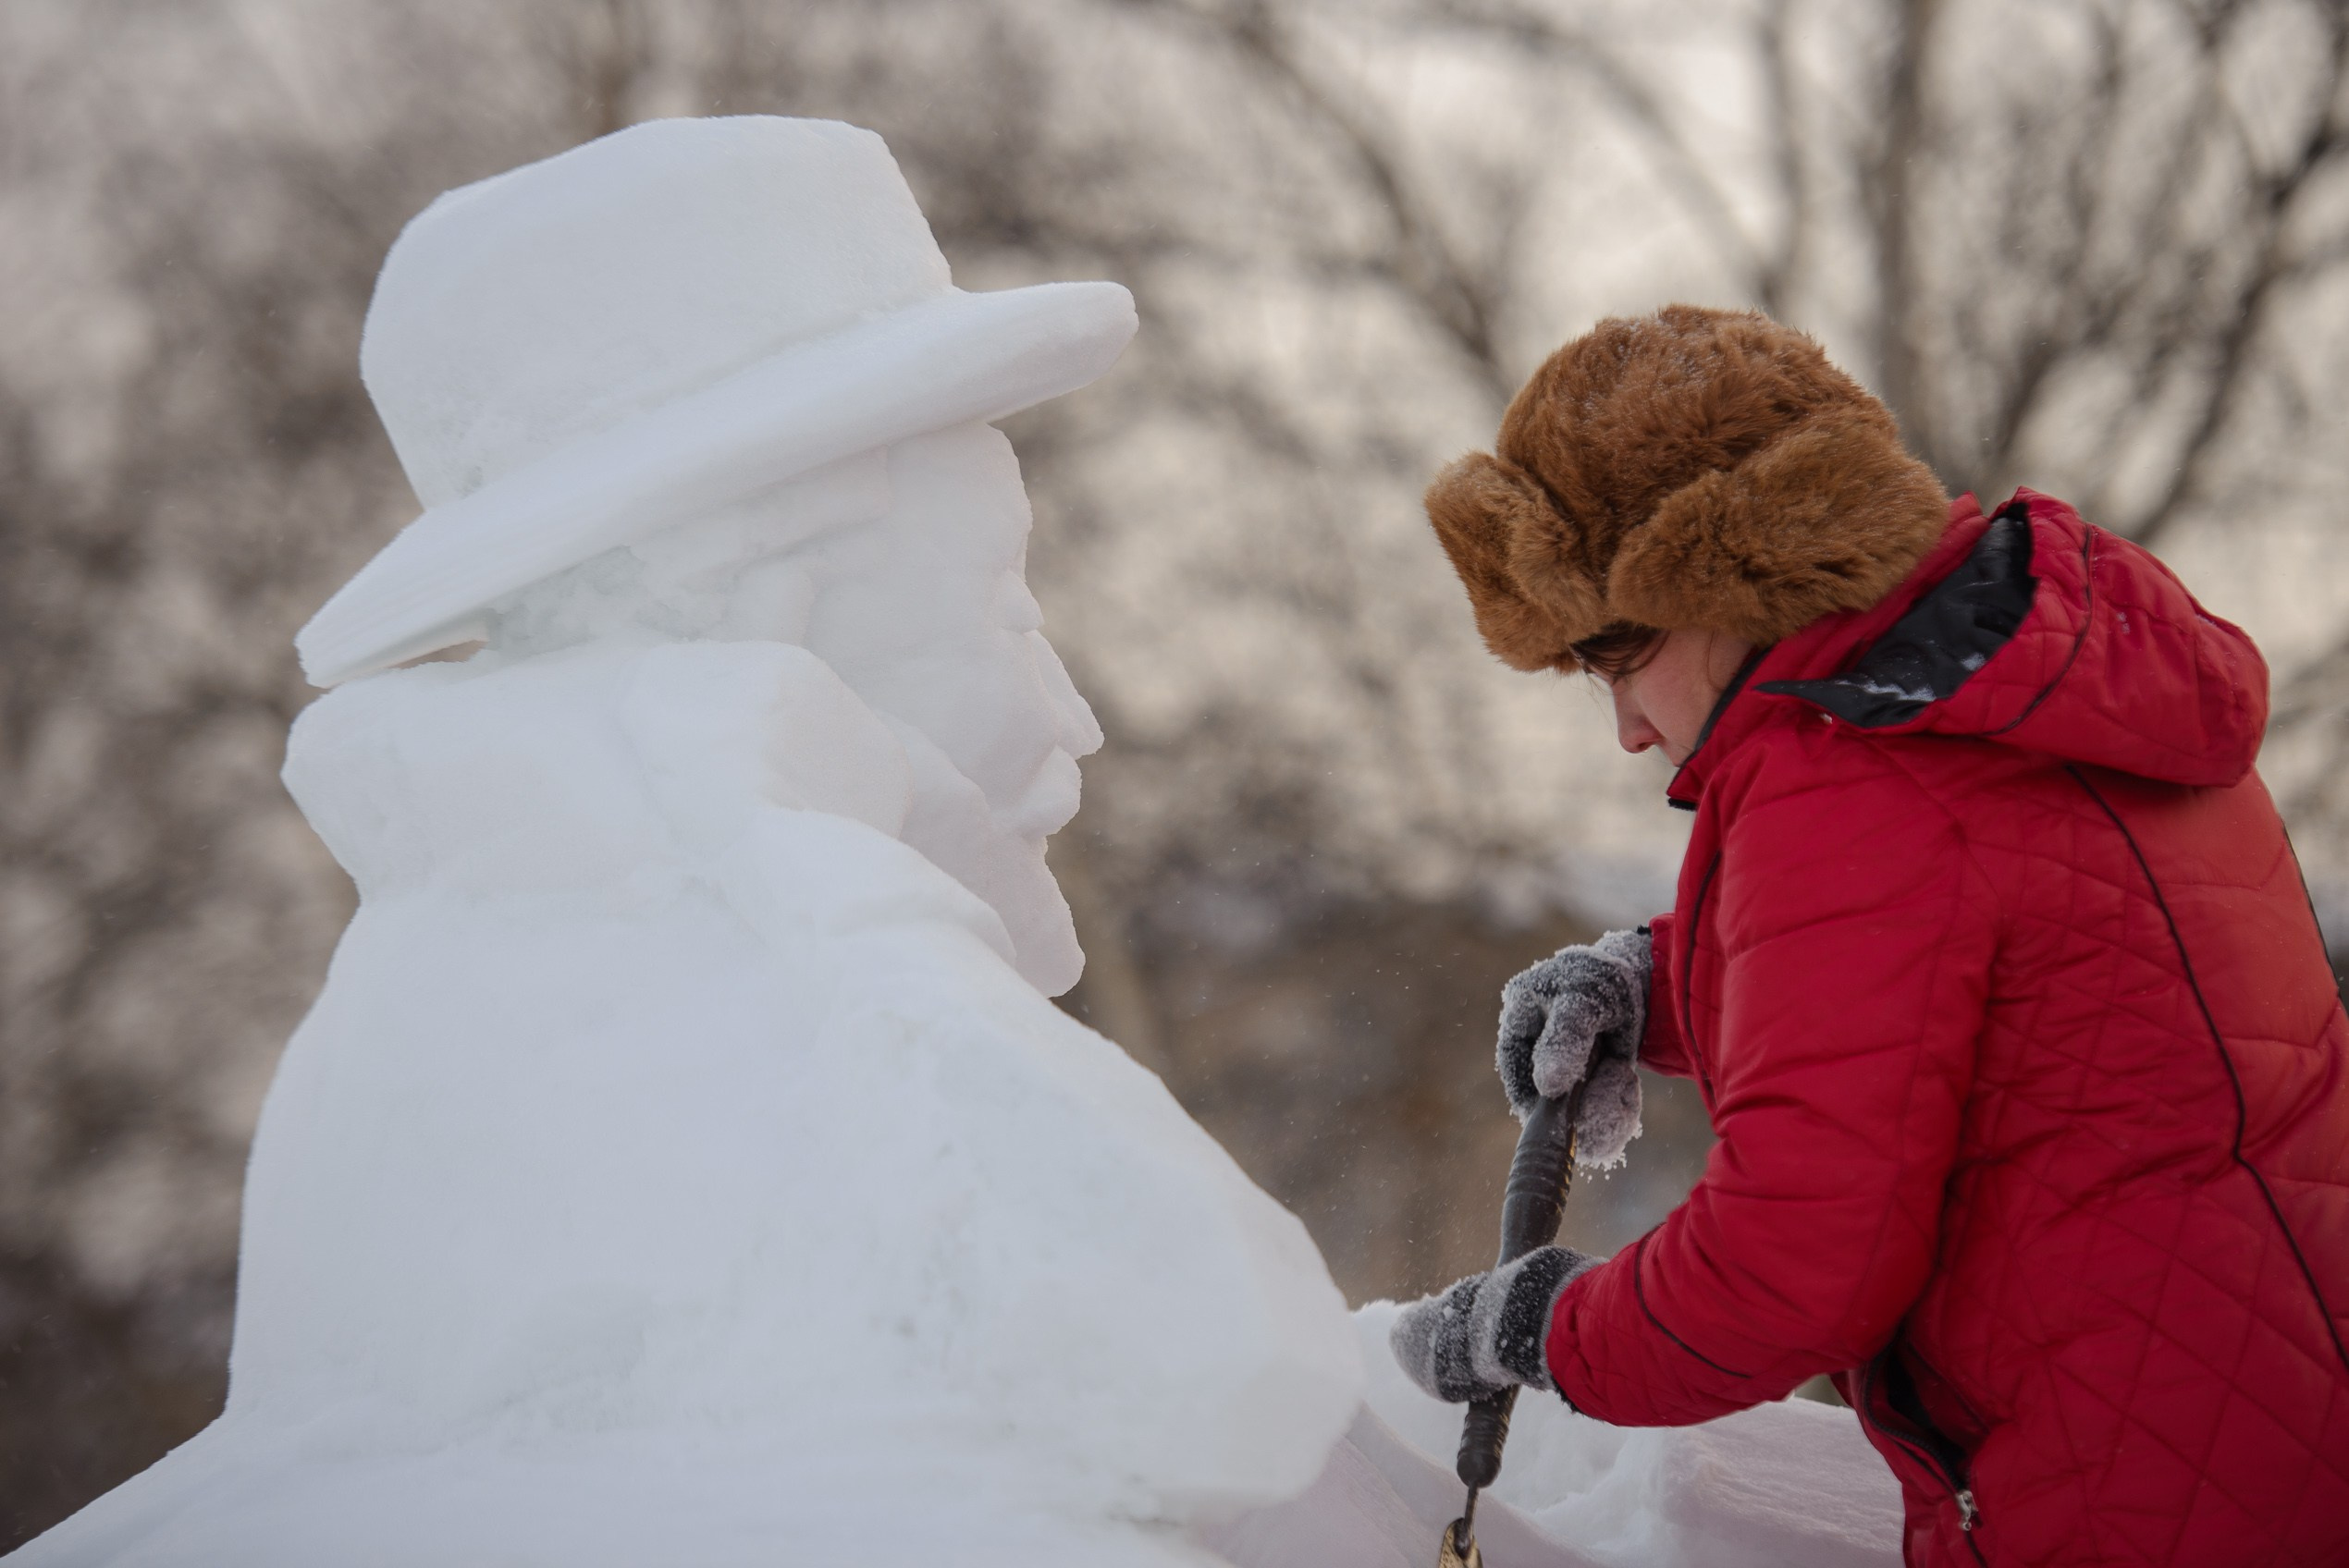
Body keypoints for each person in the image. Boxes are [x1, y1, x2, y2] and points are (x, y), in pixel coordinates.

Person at [1388, 305, 2349, 1567]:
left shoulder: (1845, 772)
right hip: (2267, 1419)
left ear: (1724, 575)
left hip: (2137, 1499)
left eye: (1623, 650)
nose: (1625, 723)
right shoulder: (2015, 673)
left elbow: (1785, 1271)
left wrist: (1544, 1327)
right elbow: (1965, 959)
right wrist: (1649, 985)